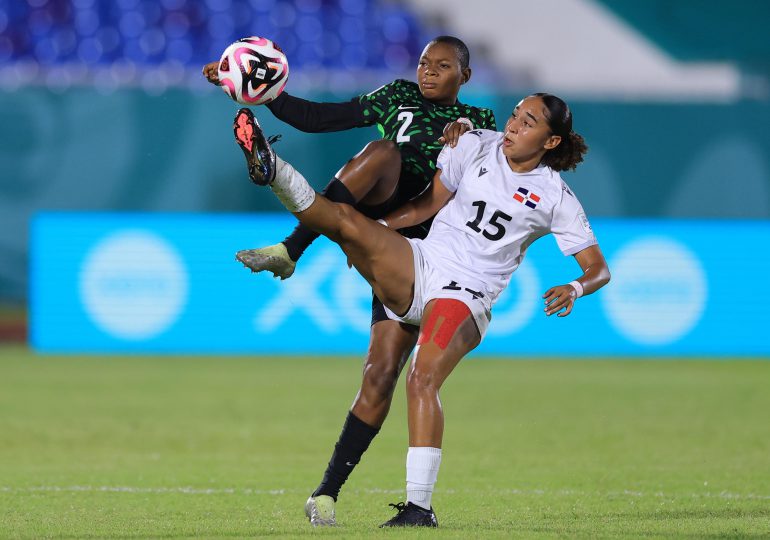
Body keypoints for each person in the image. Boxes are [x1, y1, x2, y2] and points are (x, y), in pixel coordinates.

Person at [232, 92, 611, 527]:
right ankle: (271, 167)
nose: (512, 126)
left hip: (467, 292)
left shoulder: (555, 196)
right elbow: (428, 205)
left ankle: (419, 509)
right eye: (514, 116)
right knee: (344, 222)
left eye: (528, 123)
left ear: (550, 142)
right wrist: (376, 235)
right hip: (423, 261)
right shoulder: (475, 144)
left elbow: (598, 268)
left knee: (420, 378)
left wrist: (576, 287)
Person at [205, 36, 496, 526]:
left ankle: (328, 495)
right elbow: (319, 118)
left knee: (380, 376)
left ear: (464, 77)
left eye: (442, 66)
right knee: (381, 152)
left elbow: (494, 183)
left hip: (428, 254)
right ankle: (293, 246)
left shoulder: (482, 125)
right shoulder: (395, 96)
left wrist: (466, 129)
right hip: (384, 221)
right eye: (424, 61)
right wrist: (255, 88)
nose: (428, 71)